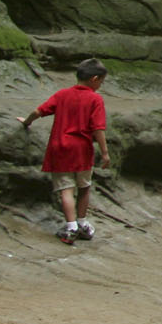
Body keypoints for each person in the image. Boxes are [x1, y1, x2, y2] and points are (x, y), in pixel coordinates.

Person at [21, 58, 110, 243]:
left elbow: (38, 111)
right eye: (101, 81)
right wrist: (104, 152)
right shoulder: (95, 99)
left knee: (66, 190)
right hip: (82, 150)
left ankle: (71, 228)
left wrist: (26, 122)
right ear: (94, 79)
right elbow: (98, 128)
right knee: (84, 187)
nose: (101, 85)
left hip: (60, 148)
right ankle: (82, 223)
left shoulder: (62, 95)